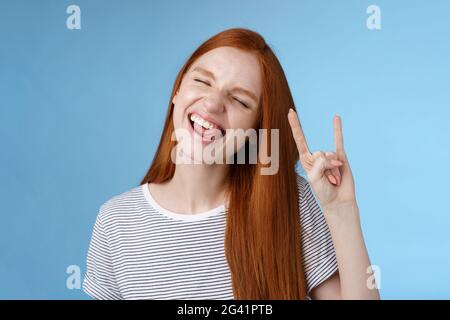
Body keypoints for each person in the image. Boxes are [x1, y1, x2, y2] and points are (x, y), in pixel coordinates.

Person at [83, 28, 380, 300]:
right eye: (202, 81)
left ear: (255, 129)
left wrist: (342, 213)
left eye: (240, 100)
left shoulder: (290, 202)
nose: (213, 103)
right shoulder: (115, 221)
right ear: (177, 91)